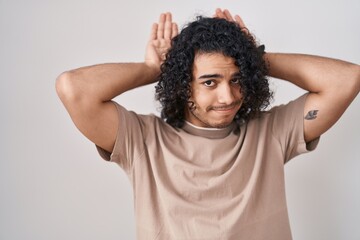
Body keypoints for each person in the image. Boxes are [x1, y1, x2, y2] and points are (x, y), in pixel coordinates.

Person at [56, 8, 359, 240]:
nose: (227, 96)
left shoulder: (271, 131)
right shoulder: (142, 140)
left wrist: (254, 57)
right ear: (182, 85)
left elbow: (347, 79)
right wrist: (153, 69)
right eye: (210, 82)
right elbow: (74, 88)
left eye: (237, 79)